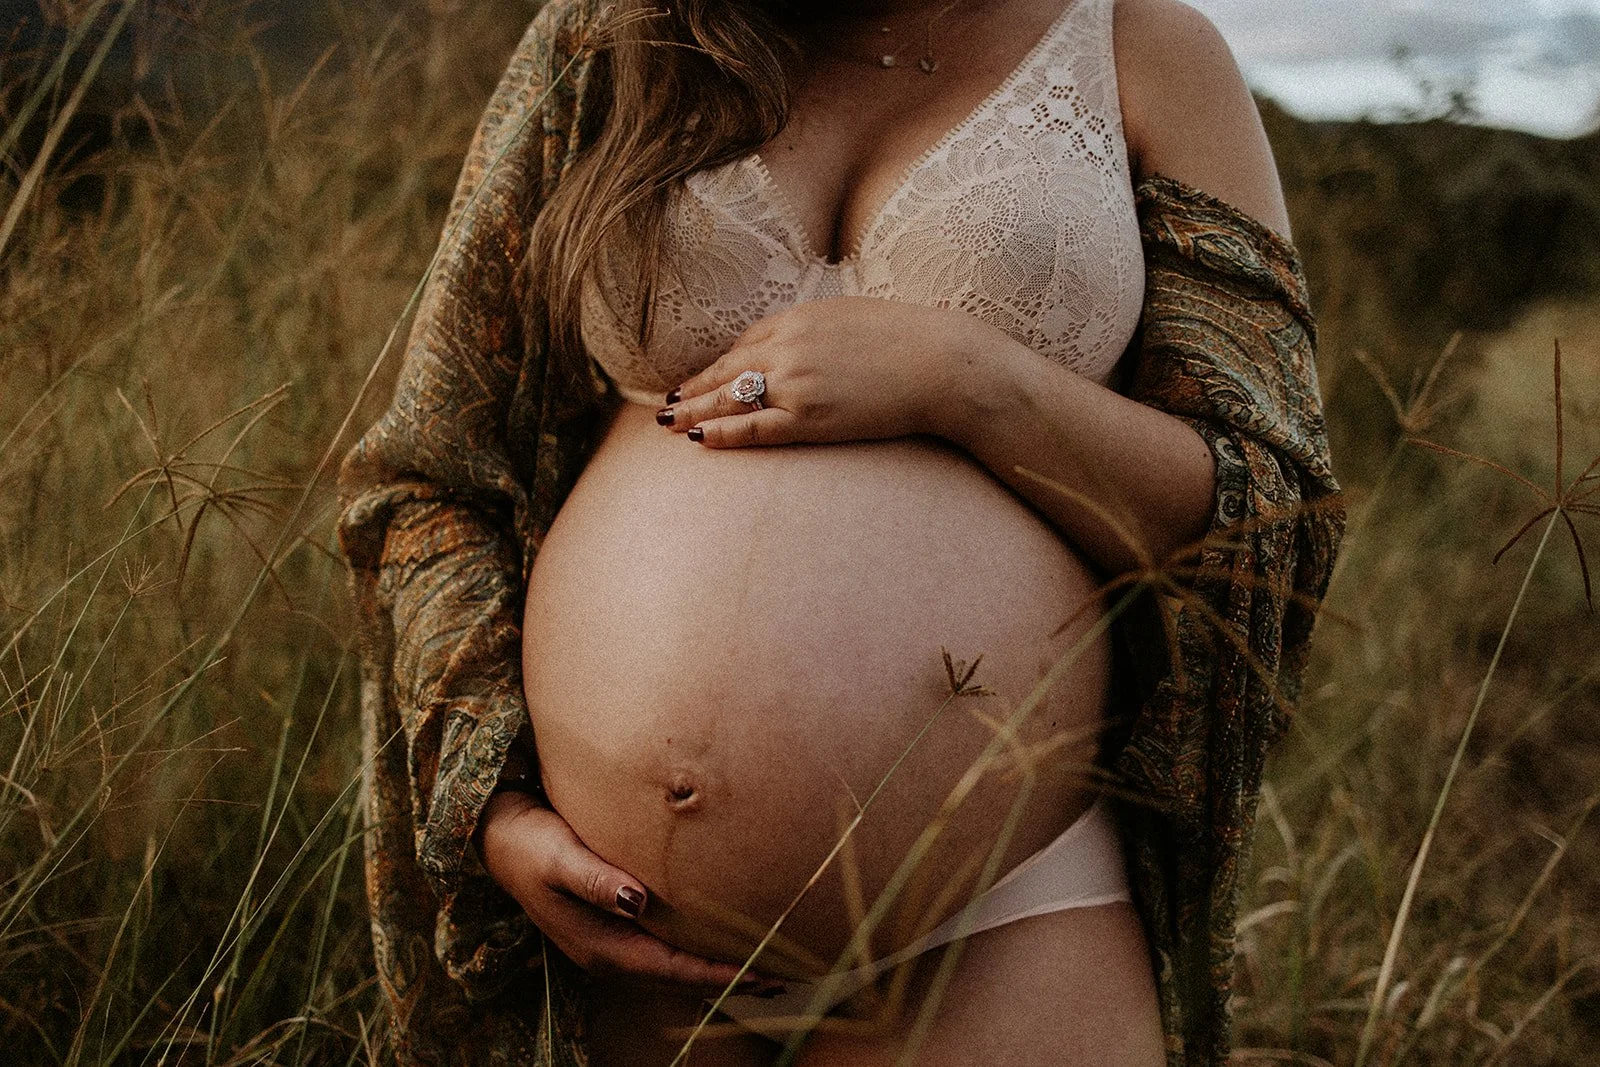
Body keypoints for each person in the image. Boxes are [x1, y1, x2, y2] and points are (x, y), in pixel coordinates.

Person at [335, 0, 1345, 1064]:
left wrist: (969, 382)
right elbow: (431, 474)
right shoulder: (613, 35)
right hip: (608, 924)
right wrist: (486, 800)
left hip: (1001, 915)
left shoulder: (1142, 48)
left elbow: (1266, 515)